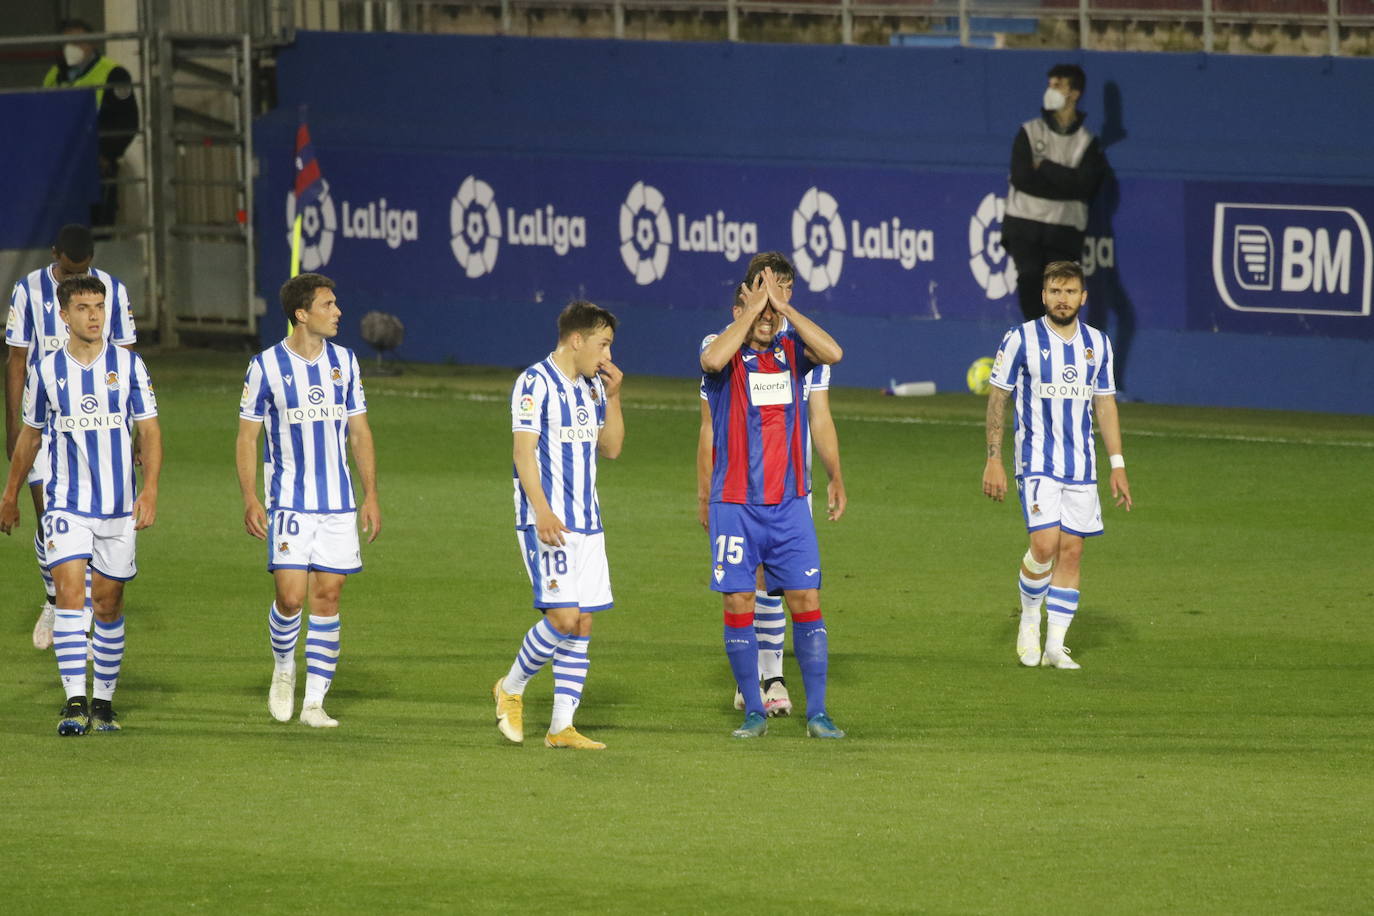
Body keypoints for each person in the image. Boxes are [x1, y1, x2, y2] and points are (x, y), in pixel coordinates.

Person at [0, 274, 161, 736]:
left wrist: (150, 489)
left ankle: (103, 702)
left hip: (118, 507)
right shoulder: (46, 371)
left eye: (99, 307)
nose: (94, 316)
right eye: (84, 308)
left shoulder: (129, 366)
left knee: (108, 605)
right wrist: (10, 494)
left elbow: (149, 430)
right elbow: (30, 437)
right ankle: (74, 702)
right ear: (64, 314)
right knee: (71, 596)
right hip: (65, 504)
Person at [700, 252, 845, 739]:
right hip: (735, 503)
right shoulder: (721, 348)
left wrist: (782, 309)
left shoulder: (793, 350)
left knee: (806, 598)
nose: (767, 318)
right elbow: (711, 360)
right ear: (744, 304)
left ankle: (818, 712)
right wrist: (752, 312)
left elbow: (834, 352)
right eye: (760, 307)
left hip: (789, 503)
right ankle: (754, 711)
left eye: (774, 309)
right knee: (739, 601)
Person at [236, 273, 381, 728]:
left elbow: (359, 433)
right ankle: (284, 668)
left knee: (328, 596)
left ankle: (315, 703)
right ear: (302, 314)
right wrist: (250, 497)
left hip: (337, 502)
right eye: (328, 304)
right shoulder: (265, 366)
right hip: (289, 501)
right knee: (291, 597)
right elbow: (247, 438)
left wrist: (370, 495)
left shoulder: (346, 362)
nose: (338, 312)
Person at [981, 260, 1133, 669]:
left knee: (1073, 552)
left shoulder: (1098, 344)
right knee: (1045, 545)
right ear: (1043, 295)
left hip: (1081, 466)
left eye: (1069, 292)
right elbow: (998, 398)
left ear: (1083, 297)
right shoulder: (1020, 338)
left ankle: (1055, 645)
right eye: (1055, 291)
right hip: (1036, 460)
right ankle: (1030, 620)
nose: (1062, 299)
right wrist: (993, 459)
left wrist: (1117, 464)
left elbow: (1105, 404)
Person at [493, 300, 624, 750]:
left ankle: (560, 728)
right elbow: (523, 452)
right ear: (576, 340)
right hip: (548, 521)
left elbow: (612, 448)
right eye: (603, 345)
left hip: (589, 523)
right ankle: (510, 688)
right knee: (563, 617)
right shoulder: (535, 382)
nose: (607, 355)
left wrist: (614, 397)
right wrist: (542, 510)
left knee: (582, 622)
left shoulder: (592, 388)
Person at [5, 224, 137, 651]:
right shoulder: (27, 291)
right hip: (45, 424)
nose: (76, 276)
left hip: (98, 426)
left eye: (82, 270)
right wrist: (14, 427)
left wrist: (133, 429)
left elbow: (127, 359)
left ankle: (81, 608)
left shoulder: (111, 291)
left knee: (92, 518)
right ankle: (56, 598)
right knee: (49, 515)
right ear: (54, 256)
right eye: (68, 271)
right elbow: (17, 360)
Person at [1001, 63, 1108, 323]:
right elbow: (1022, 178)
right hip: (1024, 224)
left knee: (1059, 291)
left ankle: (1057, 340)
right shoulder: (1030, 132)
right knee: (1029, 277)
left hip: (1063, 230)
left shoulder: (1086, 142)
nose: (1050, 91)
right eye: (1050, 85)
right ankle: (1037, 336)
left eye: (1058, 86)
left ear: (1075, 93)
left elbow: (1085, 186)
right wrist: (1066, 181)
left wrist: (1045, 167)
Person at [43, 19, 139, 227]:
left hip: (97, 168)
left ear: (93, 44)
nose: (72, 48)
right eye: (67, 43)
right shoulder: (53, 76)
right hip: (61, 170)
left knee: (97, 228)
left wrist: (106, 155)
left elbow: (127, 120)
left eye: (79, 42)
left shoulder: (114, 74)